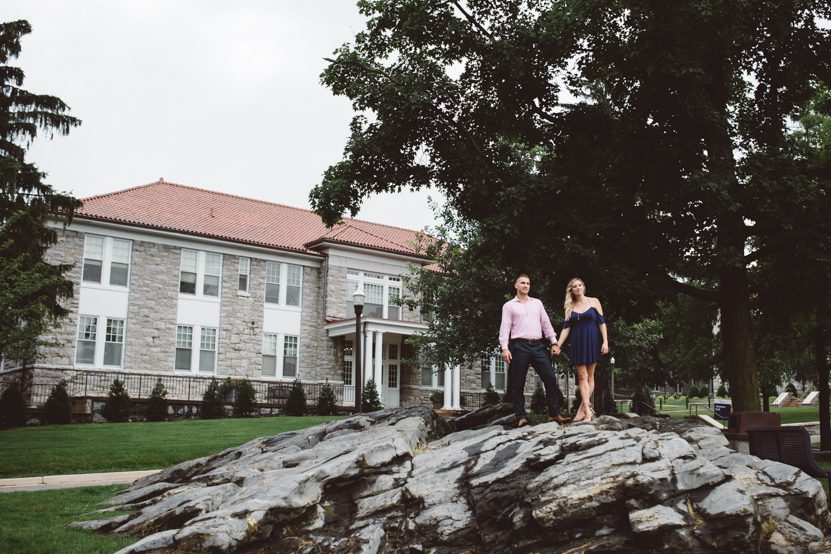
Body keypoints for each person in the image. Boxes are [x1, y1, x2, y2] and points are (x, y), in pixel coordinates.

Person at [499, 274, 571, 427]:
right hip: (519, 346)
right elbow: (505, 328)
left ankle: (553, 414)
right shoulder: (509, 306)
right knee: (517, 383)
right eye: (522, 283)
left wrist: (554, 343)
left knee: (550, 378)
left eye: (528, 283)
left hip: (538, 346)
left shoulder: (537, 303)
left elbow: (546, 324)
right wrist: (505, 348)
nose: (526, 285)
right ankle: (521, 416)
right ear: (516, 286)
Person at [555, 277, 609, 422]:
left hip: (593, 341)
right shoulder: (570, 306)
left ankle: (583, 409)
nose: (578, 287)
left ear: (583, 287)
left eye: (580, 285)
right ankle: (588, 412)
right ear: (571, 290)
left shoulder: (594, 301)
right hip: (578, 342)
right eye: (574, 286)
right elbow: (566, 328)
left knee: (590, 377)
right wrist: (557, 345)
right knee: (582, 377)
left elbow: (602, 323)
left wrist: (605, 342)